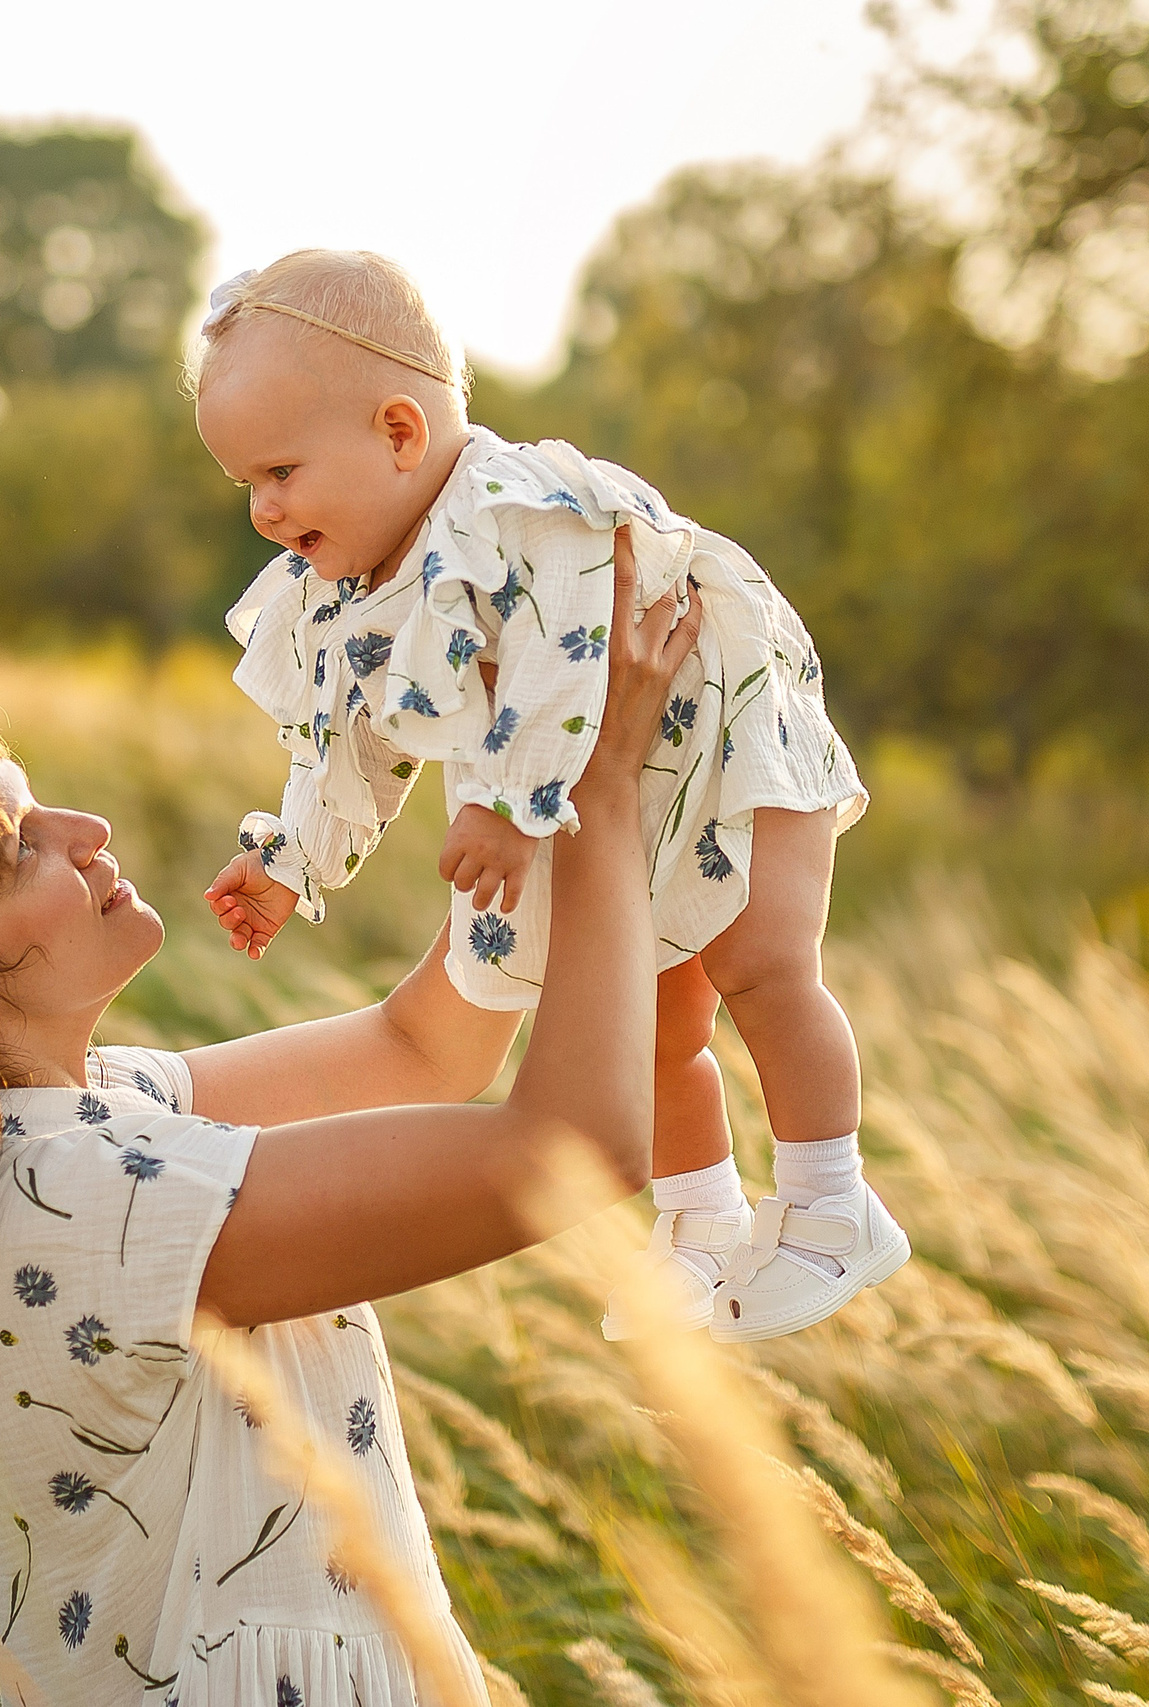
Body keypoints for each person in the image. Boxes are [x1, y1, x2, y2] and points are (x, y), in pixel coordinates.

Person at [0, 533, 693, 1705]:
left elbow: (424, 1047)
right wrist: (600, 791)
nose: (87, 830)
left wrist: (512, 766)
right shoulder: (76, 1202)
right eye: (19, 849)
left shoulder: (84, 1119)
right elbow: (573, 1154)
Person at [193, 248, 903, 1345]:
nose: (263, 511)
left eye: (279, 473)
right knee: (650, 1018)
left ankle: (830, 1202)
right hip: (612, 792)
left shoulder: (525, 512)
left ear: (398, 432)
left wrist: (508, 805)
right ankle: (701, 1223)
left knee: (761, 965)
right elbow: (349, 740)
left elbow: (573, 659)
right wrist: (292, 859)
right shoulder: (349, 588)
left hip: (723, 734)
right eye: (245, 485)